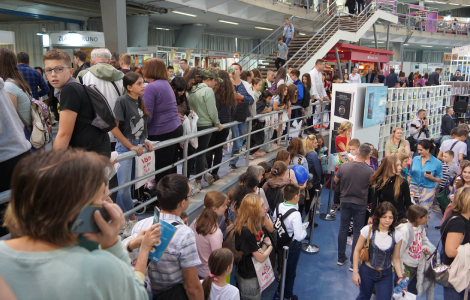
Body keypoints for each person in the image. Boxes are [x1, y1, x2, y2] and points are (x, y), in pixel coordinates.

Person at [0, 149, 149, 300]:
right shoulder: (99, 267)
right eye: (103, 198)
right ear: (79, 211)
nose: (108, 205)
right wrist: (112, 243)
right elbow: (138, 296)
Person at [130, 174, 204, 299]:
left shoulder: (140, 225)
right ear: (182, 202)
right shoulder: (184, 234)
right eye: (190, 195)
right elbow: (192, 287)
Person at [44, 49, 111, 157]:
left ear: (71, 71)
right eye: (48, 70)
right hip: (95, 152)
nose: (53, 74)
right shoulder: (75, 86)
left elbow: (64, 134)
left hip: (88, 157)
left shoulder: (70, 89)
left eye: (59, 69)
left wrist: (53, 163)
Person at [111, 72, 154, 237]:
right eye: (139, 83)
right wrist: (130, 146)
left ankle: (122, 220)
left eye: (142, 82)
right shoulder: (122, 101)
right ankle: (132, 220)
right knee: (123, 190)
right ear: (129, 87)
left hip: (137, 146)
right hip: (125, 146)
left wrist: (145, 141)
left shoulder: (139, 100)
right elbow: (113, 128)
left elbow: (142, 125)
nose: (143, 86)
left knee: (129, 187)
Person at [142, 58, 183, 186]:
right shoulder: (165, 84)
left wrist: (139, 133)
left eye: (144, 68)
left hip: (162, 131)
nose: (142, 71)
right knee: (170, 167)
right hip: (173, 128)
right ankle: (171, 195)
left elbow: (147, 115)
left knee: (162, 171)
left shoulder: (151, 87)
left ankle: (163, 199)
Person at [352, 203, 404, 300]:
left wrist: (400, 276)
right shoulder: (368, 230)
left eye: (390, 217)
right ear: (379, 216)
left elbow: (396, 258)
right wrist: (355, 272)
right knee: (364, 297)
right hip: (367, 271)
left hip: (386, 274)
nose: (387, 220)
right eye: (384, 217)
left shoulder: (397, 235)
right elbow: (357, 250)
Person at [335, 144, 374, 269]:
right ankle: (354, 262)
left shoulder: (344, 166)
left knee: (343, 228)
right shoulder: (369, 171)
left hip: (345, 201)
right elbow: (372, 187)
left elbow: (335, 180)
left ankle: (341, 258)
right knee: (358, 231)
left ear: (357, 151)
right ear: (368, 155)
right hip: (360, 204)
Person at [77, 48, 125, 147]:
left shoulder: (83, 75)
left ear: (91, 61)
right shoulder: (122, 76)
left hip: (92, 127)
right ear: (109, 61)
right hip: (117, 127)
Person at [186, 68, 223, 191]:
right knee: (201, 153)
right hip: (205, 125)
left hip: (192, 124)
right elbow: (212, 110)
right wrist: (217, 124)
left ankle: (186, 182)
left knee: (190, 154)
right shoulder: (207, 90)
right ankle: (197, 182)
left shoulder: (190, 89)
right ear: (208, 79)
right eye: (215, 81)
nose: (216, 83)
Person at [234, 193, 273, 300]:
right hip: (249, 277)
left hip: (255, 272)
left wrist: (265, 246)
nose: (265, 208)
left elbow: (259, 249)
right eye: (262, 206)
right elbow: (260, 257)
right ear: (253, 210)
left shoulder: (255, 224)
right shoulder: (246, 232)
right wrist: (270, 246)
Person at [272, 183, 305, 300]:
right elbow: (299, 236)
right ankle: (286, 295)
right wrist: (304, 229)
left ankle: (279, 291)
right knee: (290, 271)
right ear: (295, 197)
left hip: (280, 242)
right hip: (292, 246)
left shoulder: (278, 206)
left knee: (283, 267)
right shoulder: (295, 214)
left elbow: (274, 221)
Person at [395, 205, 435, 297]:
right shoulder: (405, 231)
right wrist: (401, 274)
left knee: (411, 294)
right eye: (425, 217)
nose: (427, 219)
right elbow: (398, 254)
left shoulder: (421, 227)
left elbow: (424, 240)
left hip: (416, 267)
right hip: (405, 268)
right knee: (399, 294)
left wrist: (425, 247)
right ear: (418, 218)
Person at [206, 70, 236, 181]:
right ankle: (215, 173)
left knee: (209, 149)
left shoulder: (212, 91)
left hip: (213, 123)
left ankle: (207, 173)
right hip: (226, 124)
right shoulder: (231, 92)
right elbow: (233, 110)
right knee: (218, 149)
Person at [440, 187, 470, 299]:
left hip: (462, 272)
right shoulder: (458, 222)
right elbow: (451, 251)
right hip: (456, 274)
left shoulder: (463, 219)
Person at [190, 191, 227, 278]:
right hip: (209, 275)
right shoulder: (216, 233)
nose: (226, 207)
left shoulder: (197, 219)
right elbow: (217, 260)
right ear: (214, 209)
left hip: (197, 270)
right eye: (223, 205)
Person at [1, 48, 34, 145]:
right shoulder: (16, 82)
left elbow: (9, 120)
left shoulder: (8, 87)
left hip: (21, 137)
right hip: (25, 134)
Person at [408, 140, 443, 226]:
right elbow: (410, 174)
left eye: (421, 150)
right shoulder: (415, 159)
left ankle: (422, 236)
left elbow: (440, 179)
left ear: (428, 149)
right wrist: (406, 187)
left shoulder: (437, 163)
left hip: (428, 190)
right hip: (413, 188)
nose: (419, 152)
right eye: (418, 150)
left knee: (424, 214)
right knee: (411, 213)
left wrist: (432, 177)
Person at [370, 156, 412, 221]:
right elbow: (376, 199)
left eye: (400, 165)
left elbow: (408, 202)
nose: (400, 168)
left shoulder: (403, 182)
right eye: (397, 165)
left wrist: (407, 218)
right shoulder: (380, 180)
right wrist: (371, 216)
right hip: (384, 215)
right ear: (389, 166)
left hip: (399, 215)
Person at [230, 63, 254, 170]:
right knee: (236, 137)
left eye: (236, 69)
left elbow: (251, 100)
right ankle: (238, 149)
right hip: (231, 114)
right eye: (232, 69)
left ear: (240, 71)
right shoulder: (227, 84)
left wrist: (242, 97)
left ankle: (233, 162)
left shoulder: (245, 85)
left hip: (243, 114)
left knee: (240, 136)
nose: (234, 71)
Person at [250, 89, 272, 158]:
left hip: (259, 123)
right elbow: (257, 112)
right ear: (265, 98)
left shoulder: (262, 103)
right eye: (269, 99)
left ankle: (251, 152)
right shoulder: (262, 103)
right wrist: (267, 110)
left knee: (255, 139)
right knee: (260, 139)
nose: (270, 100)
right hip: (257, 124)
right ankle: (251, 152)